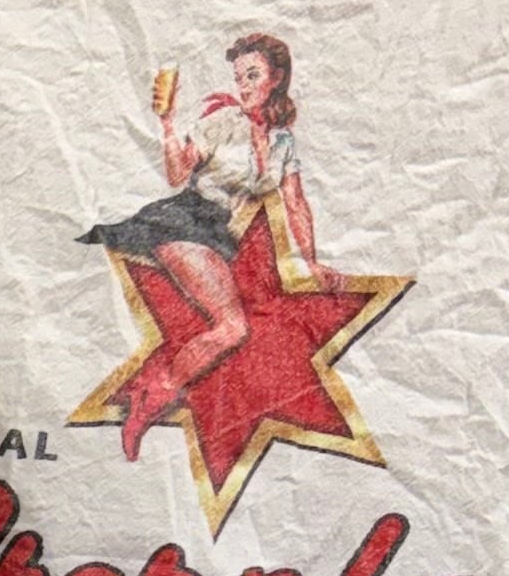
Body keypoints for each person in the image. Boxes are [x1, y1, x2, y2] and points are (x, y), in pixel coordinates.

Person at [82, 31, 347, 454]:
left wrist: (312, 262)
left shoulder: (282, 141)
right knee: (232, 327)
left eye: (253, 75)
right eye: (239, 77)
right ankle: (152, 399)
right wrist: (167, 123)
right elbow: (177, 174)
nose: (244, 85)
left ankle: (152, 394)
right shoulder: (223, 122)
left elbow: (295, 202)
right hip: (183, 221)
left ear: (277, 77)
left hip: (217, 233)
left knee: (236, 329)